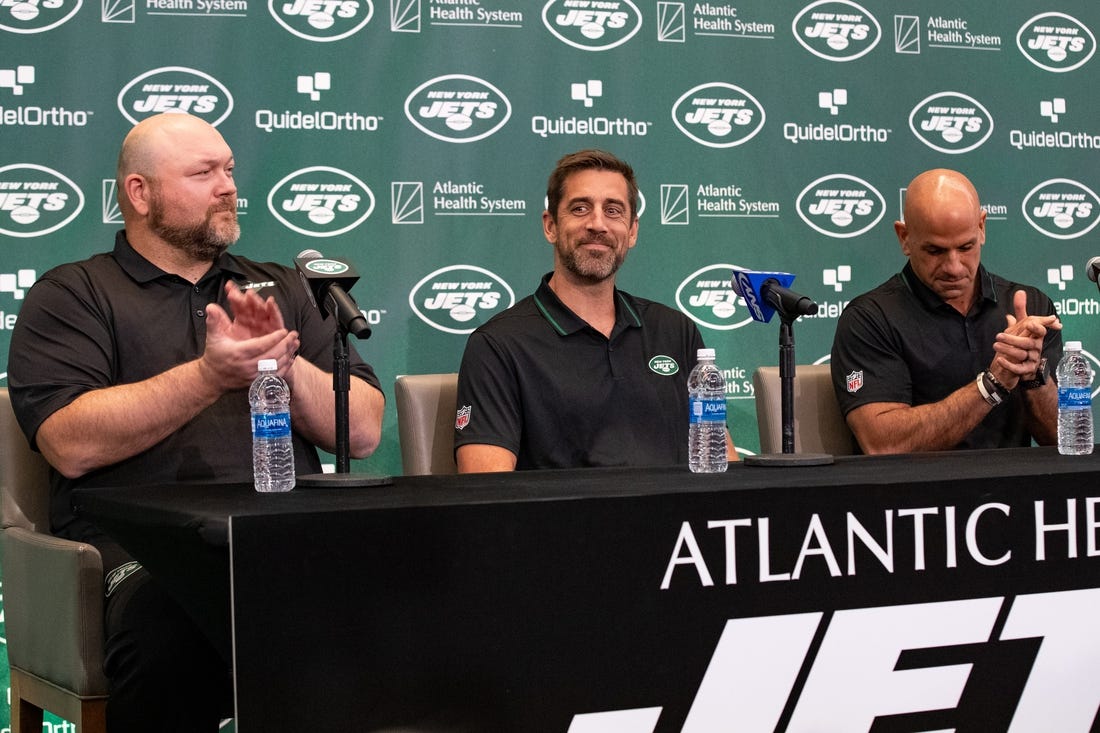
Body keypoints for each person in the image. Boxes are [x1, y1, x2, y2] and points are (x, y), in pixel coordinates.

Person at [7, 112, 385, 732]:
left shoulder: (280, 287)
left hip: (281, 538)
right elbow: (67, 442)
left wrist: (279, 365)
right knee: (177, 626)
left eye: (230, 170)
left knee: (404, 607)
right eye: (204, 172)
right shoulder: (74, 294)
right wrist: (209, 375)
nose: (228, 185)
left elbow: (363, 430)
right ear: (140, 192)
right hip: (141, 553)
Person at [454, 149, 736, 472]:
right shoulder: (498, 346)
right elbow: (487, 494)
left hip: (677, 522)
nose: (597, 224)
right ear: (551, 226)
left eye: (613, 211)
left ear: (632, 232)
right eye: (580, 208)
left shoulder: (676, 331)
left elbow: (719, 463)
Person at [830, 168, 1061, 454]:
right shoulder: (870, 319)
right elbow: (883, 444)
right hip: (918, 496)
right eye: (935, 251)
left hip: (1016, 495)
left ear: (982, 227)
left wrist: (1033, 373)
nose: (953, 267)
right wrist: (993, 383)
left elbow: (1061, 440)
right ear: (904, 237)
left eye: (966, 247)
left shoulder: (1031, 308)